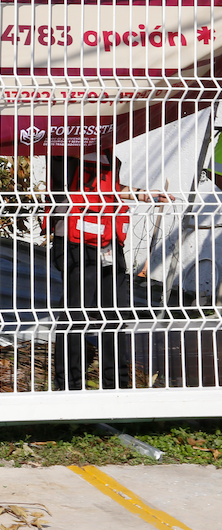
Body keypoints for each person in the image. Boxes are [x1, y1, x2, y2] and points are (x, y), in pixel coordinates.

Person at [52, 149, 172, 391]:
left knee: (115, 312)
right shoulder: (67, 148)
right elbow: (67, 187)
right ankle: (68, 385)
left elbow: (110, 188)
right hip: (76, 241)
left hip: (108, 240)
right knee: (77, 313)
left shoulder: (106, 151)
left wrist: (141, 194)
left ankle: (116, 384)